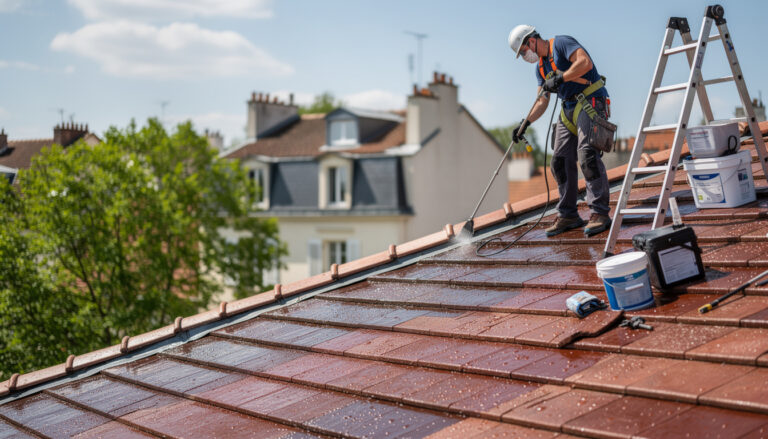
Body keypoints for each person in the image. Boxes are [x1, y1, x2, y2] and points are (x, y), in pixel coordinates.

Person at [508, 24, 612, 237]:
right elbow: (541, 101)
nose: (526, 55)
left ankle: (599, 213)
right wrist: (524, 123)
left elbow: (584, 63)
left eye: (524, 50)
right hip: (568, 109)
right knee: (559, 161)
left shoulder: (562, 43)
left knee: (587, 156)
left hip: (590, 100)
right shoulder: (540, 68)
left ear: (532, 40)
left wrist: (562, 77)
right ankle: (568, 215)